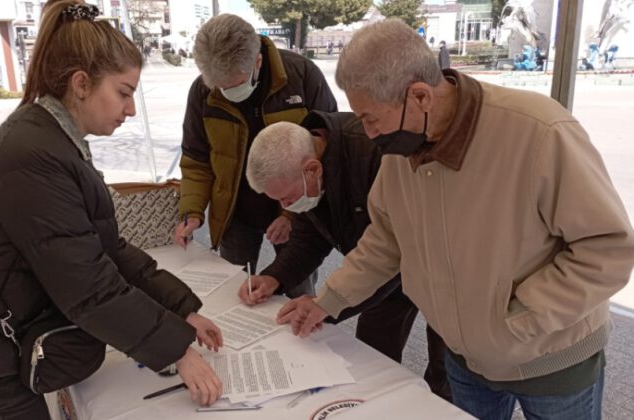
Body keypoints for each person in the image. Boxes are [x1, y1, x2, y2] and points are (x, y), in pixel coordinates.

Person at [276, 19, 634, 420]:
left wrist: (520, 315)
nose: (368, 133)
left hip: (551, 361)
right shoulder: (401, 152)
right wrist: (329, 300)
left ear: (420, 97)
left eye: (373, 119)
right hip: (464, 360)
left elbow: (608, 247)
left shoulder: (539, 132)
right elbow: (385, 241)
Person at [0, 2, 223, 418]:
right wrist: (177, 349)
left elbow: (105, 248)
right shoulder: (31, 156)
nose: (130, 110)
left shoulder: (51, 141)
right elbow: (88, 287)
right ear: (82, 83)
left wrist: (183, 309)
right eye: (123, 93)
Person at [241, 113, 451, 400]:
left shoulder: (375, 154)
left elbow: (390, 252)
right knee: (372, 358)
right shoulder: (305, 166)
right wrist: (274, 276)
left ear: (312, 169)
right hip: (375, 273)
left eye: (286, 199)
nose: (284, 207)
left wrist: (328, 302)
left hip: (440, 268)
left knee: (448, 366)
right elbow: (309, 239)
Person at [175, 14, 337, 296]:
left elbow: (327, 150)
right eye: (220, 87)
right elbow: (196, 160)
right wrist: (192, 211)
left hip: (296, 210)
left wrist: (290, 214)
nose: (226, 93)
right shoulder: (202, 90)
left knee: (298, 288)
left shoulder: (301, 75)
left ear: (257, 62)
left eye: (234, 85)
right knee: (233, 290)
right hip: (236, 213)